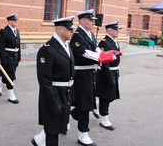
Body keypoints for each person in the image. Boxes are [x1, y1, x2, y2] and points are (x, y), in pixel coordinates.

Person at [32, 16, 76, 146]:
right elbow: (44, 81)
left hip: (65, 94)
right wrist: (53, 104)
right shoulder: (47, 49)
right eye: (69, 29)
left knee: (56, 130)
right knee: (52, 135)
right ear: (60, 30)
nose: (72, 31)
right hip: (54, 96)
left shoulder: (66, 46)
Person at [69, 9, 99, 146]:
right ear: (82, 21)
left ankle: (69, 116)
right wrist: (101, 58)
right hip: (81, 75)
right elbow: (83, 56)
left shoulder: (90, 34)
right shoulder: (77, 36)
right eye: (91, 20)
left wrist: (104, 55)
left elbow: (96, 50)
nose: (94, 22)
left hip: (90, 74)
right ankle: (83, 134)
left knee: (86, 102)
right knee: (85, 105)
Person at [96, 21, 122, 131]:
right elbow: (104, 62)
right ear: (109, 30)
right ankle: (104, 118)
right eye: (115, 29)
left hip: (114, 72)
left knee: (111, 95)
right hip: (106, 73)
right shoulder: (104, 43)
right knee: (106, 97)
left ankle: (96, 105)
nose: (118, 31)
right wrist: (108, 77)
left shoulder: (115, 41)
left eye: (118, 29)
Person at [0, 13, 21, 104]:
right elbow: (1, 47)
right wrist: (3, 59)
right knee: (10, 76)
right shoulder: (4, 31)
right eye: (13, 20)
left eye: (16, 20)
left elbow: (19, 45)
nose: (15, 21)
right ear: (9, 21)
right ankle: (11, 95)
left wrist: (19, 56)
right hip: (8, 55)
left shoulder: (17, 31)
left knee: (8, 74)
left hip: (15, 56)